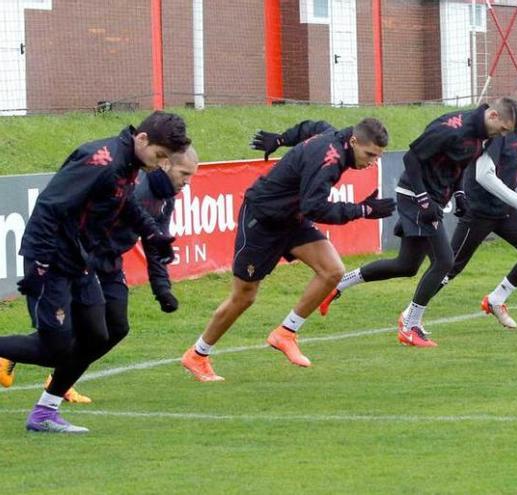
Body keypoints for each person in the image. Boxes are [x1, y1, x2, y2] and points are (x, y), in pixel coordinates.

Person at [0, 111, 188, 433]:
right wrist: (41, 265)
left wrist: (153, 233)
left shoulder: (128, 165)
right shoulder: (101, 160)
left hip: (78, 258)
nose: (159, 165)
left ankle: (45, 412)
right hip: (53, 257)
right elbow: (49, 206)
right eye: (159, 156)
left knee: (101, 333)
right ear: (142, 139)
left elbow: (125, 202)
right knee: (55, 347)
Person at [181, 118, 395, 382]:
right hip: (263, 219)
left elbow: (311, 128)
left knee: (332, 271)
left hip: (291, 219)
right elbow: (314, 207)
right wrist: (362, 210)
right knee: (244, 297)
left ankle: (285, 333)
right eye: (369, 154)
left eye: (378, 156)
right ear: (353, 141)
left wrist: (281, 139)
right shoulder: (329, 160)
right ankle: (198, 355)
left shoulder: (333, 135)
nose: (372, 161)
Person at [318, 97, 517, 347]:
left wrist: (459, 194)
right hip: (415, 197)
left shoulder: (483, 134)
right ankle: (410, 324)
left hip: (432, 198)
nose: (502, 135)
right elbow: (411, 159)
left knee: (407, 265)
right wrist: (424, 200)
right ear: (492, 116)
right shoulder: (452, 128)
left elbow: (458, 166)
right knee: (445, 261)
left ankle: (339, 284)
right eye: (502, 129)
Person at [437, 84, 517, 329]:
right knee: (448, 267)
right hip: (478, 211)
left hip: (503, 212)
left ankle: (496, 299)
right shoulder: (500, 132)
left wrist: (516, 204)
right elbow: (483, 175)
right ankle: (411, 316)